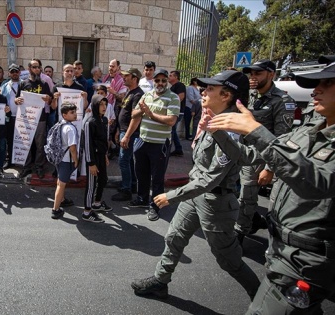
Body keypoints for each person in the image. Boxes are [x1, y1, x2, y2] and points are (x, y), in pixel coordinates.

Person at [205, 62, 335, 314]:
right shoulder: (309, 130)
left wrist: (255, 131)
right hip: (281, 251)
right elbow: (248, 156)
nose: (315, 90)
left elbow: (316, 184)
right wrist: (218, 130)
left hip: (305, 261)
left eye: (327, 83)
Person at [131, 70, 261, 303]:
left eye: (210, 88)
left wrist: (172, 195)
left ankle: (262, 298)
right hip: (194, 193)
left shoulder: (231, 130)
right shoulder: (213, 117)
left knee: (228, 260)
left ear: (227, 95)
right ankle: (161, 281)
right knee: (174, 237)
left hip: (215, 202)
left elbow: (212, 178)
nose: (203, 92)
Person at [236, 59, 295, 244]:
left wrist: (269, 168)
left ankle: (240, 234)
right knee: (236, 193)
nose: (253, 77)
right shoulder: (249, 96)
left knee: (246, 196)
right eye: (251, 74)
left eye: (258, 73)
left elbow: (281, 138)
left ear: (271, 74)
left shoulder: (282, 101)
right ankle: (254, 220)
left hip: (260, 157)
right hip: (241, 152)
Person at [123, 68, 179, 220]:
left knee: (157, 177)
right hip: (142, 141)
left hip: (160, 144)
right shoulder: (146, 95)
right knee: (141, 173)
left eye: (163, 80)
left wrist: (150, 113)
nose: (160, 83)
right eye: (157, 80)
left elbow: (171, 120)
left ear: (167, 81)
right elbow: (134, 115)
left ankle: (155, 205)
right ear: (153, 81)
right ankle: (142, 198)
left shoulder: (173, 97)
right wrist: (127, 136)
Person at [51, 64, 87, 205]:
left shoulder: (79, 87)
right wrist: (54, 98)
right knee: (61, 151)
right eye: (67, 70)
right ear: (63, 72)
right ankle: (61, 177)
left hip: (75, 125)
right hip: (60, 125)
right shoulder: (57, 87)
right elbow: (53, 107)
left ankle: (68, 178)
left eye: (72, 70)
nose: (70, 72)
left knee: (71, 149)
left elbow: (84, 107)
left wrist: (84, 98)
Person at [16, 59, 53, 179]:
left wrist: (48, 99)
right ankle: (26, 167)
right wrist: (17, 100)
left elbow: (50, 99)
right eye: (34, 67)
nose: (37, 69)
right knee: (26, 143)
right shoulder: (23, 84)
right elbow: (17, 99)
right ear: (29, 68)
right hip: (26, 118)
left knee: (40, 144)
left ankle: (39, 166)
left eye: (38, 67)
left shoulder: (44, 84)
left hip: (41, 118)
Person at [111, 68, 144, 202]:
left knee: (123, 160)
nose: (123, 78)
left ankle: (126, 190)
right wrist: (120, 130)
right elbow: (124, 111)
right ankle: (131, 184)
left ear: (134, 78)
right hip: (124, 130)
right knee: (128, 160)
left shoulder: (138, 94)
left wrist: (127, 135)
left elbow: (136, 117)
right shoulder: (130, 92)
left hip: (130, 133)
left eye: (126, 76)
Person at [83, 94, 112, 222]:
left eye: (105, 104)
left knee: (103, 179)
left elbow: (104, 140)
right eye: (100, 104)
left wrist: (105, 154)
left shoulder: (104, 120)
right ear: (95, 105)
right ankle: (87, 212)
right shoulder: (90, 122)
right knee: (91, 185)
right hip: (92, 158)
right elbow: (87, 144)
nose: (104, 107)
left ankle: (97, 203)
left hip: (101, 156)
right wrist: (91, 163)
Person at [50, 104, 79, 220]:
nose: (75, 114)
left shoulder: (60, 125)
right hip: (66, 160)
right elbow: (72, 148)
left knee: (59, 181)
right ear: (64, 115)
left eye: (75, 111)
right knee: (61, 185)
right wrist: (76, 160)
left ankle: (62, 199)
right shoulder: (70, 128)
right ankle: (55, 210)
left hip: (58, 158)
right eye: (72, 112)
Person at [0, 63, 23, 169]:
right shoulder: (4, 85)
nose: (14, 74)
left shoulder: (25, 83)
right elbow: (0, 100)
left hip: (22, 117)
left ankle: (22, 159)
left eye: (16, 71)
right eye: (12, 72)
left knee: (22, 139)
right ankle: (10, 160)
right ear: (9, 73)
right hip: (9, 117)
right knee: (9, 139)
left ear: (19, 72)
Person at [169, 70, 186, 156]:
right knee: (172, 130)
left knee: (171, 130)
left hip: (178, 112)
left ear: (176, 77)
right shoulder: (172, 87)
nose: (169, 77)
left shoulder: (180, 85)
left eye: (171, 75)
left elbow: (181, 97)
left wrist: (170, 104)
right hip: (175, 111)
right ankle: (178, 149)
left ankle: (173, 148)